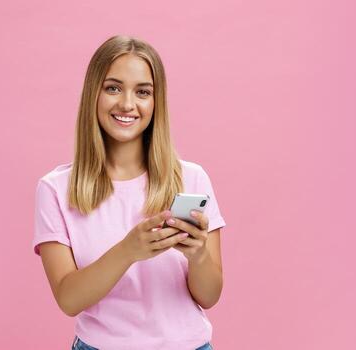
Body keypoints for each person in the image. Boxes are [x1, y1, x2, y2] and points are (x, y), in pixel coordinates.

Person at [32, 35, 226, 350]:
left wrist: (198, 254)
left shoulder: (191, 178)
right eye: (113, 88)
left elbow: (210, 295)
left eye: (143, 92)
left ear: (156, 101)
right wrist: (129, 251)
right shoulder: (55, 189)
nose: (127, 104)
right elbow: (68, 299)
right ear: (93, 94)